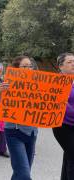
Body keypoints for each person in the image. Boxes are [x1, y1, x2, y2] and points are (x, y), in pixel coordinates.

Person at [0, 56, 38, 180]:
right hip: (14, 132)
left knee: (21, 172)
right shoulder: (7, 85)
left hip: (32, 132)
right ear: (16, 68)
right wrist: (0, 92)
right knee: (24, 174)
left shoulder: (38, 85)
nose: (28, 69)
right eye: (24, 66)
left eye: (30, 66)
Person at [52, 52, 74, 180]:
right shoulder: (54, 83)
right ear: (60, 66)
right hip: (62, 126)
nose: (73, 64)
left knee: (69, 156)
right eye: (69, 62)